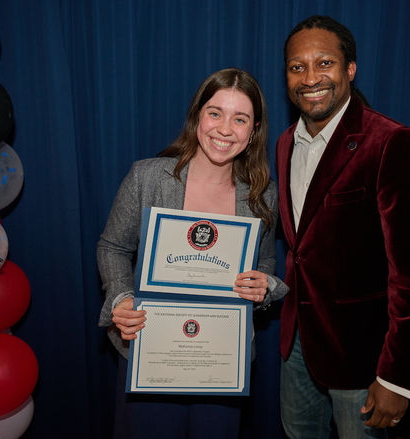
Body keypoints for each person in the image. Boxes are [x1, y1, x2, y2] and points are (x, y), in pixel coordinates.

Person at [97, 68, 288, 439]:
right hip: (151, 354)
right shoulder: (148, 177)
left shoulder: (262, 196)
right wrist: (122, 298)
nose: (225, 128)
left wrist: (263, 285)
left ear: (253, 132)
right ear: (197, 116)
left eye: (240, 119)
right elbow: (113, 247)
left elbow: (265, 262)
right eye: (215, 113)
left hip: (220, 363)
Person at [275, 16, 410, 438]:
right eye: (297, 67)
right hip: (297, 347)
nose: (310, 78)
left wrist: (397, 376)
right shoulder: (284, 142)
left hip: (365, 358)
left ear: (350, 69)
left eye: (324, 62)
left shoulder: (391, 142)